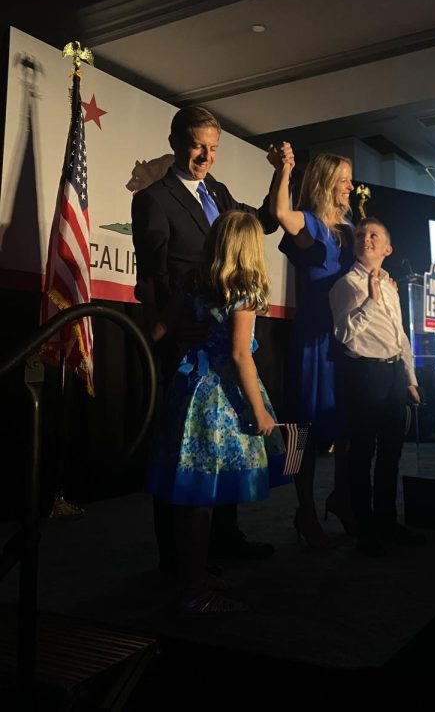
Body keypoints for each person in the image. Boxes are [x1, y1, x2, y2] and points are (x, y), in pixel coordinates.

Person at [132, 105, 293, 568]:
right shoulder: (152, 198)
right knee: (180, 452)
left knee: (225, 444)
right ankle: (175, 559)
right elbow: (152, 276)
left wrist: (283, 172)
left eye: (213, 148)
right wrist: (175, 322)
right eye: (197, 145)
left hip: (222, 345)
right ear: (175, 142)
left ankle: (224, 540)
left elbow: (262, 221)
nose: (205, 156)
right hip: (188, 344)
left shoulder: (218, 191)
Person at [146, 211, 288, 614]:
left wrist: (150, 312)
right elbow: (240, 353)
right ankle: (193, 590)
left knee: (188, 493)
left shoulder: (193, 281)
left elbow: (161, 329)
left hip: (186, 393)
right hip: (218, 401)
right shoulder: (243, 288)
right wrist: (260, 411)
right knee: (202, 498)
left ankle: (191, 573)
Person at [268, 150, 355, 548]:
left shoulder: (351, 228)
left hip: (344, 339)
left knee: (347, 425)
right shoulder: (310, 223)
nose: (350, 187)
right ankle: (303, 508)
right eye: (344, 179)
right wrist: (285, 170)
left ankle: (340, 497)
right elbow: (281, 212)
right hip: (313, 339)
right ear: (325, 182)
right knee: (302, 428)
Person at [329, 218, 426, 557]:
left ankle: (387, 522)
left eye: (373, 236)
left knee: (391, 454)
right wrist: (369, 301)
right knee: (363, 454)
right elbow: (345, 335)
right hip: (365, 375)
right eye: (359, 235)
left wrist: (411, 378)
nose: (365, 239)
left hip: (394, 375)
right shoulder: (345, 285)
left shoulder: (390, 285)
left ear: (388, 249)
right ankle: (365, 530)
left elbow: (400, 336)